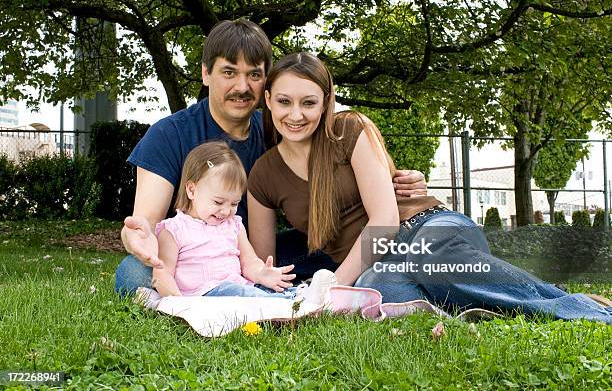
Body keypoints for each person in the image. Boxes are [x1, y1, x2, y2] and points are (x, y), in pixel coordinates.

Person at [247, 52, 612, 323]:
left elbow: (385, 219)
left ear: (326, 101)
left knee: (428, 259)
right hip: (378, 263)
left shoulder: (350, 130)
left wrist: (333, 289)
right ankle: (473, 309)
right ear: (268, 100)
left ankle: (578, 309)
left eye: (308, 102)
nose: (295, 114)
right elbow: (265, 266)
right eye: (284, 101)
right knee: (380, 286)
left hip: (427, 229)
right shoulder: (263, 175)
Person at [115, 19, 427, 295]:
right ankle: (204, 295)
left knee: (328, 254)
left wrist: (396, 179)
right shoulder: (170, 134)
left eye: (253, 74)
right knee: (133, 272)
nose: (241, 86)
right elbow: (145, 223)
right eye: (228, 72)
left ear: (266, 82)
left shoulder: (282, 125)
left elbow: (343, 155)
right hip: (192, 256)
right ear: (206, 74)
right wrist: (137, 238)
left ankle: (312, 288)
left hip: (261, 253)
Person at [151, 140, 335, 302]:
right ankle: (294, 302)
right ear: (192, 190)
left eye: (234, 203)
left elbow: (249, 262)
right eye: (218, 202)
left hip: (240, 289)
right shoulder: (174, 229)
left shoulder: (234, 225)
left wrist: (263, 273)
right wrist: (177, 302)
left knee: (262, 288)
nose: (225, 211)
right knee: (236, 292)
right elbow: (163, 272)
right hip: (205, 295)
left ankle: (300, 296)